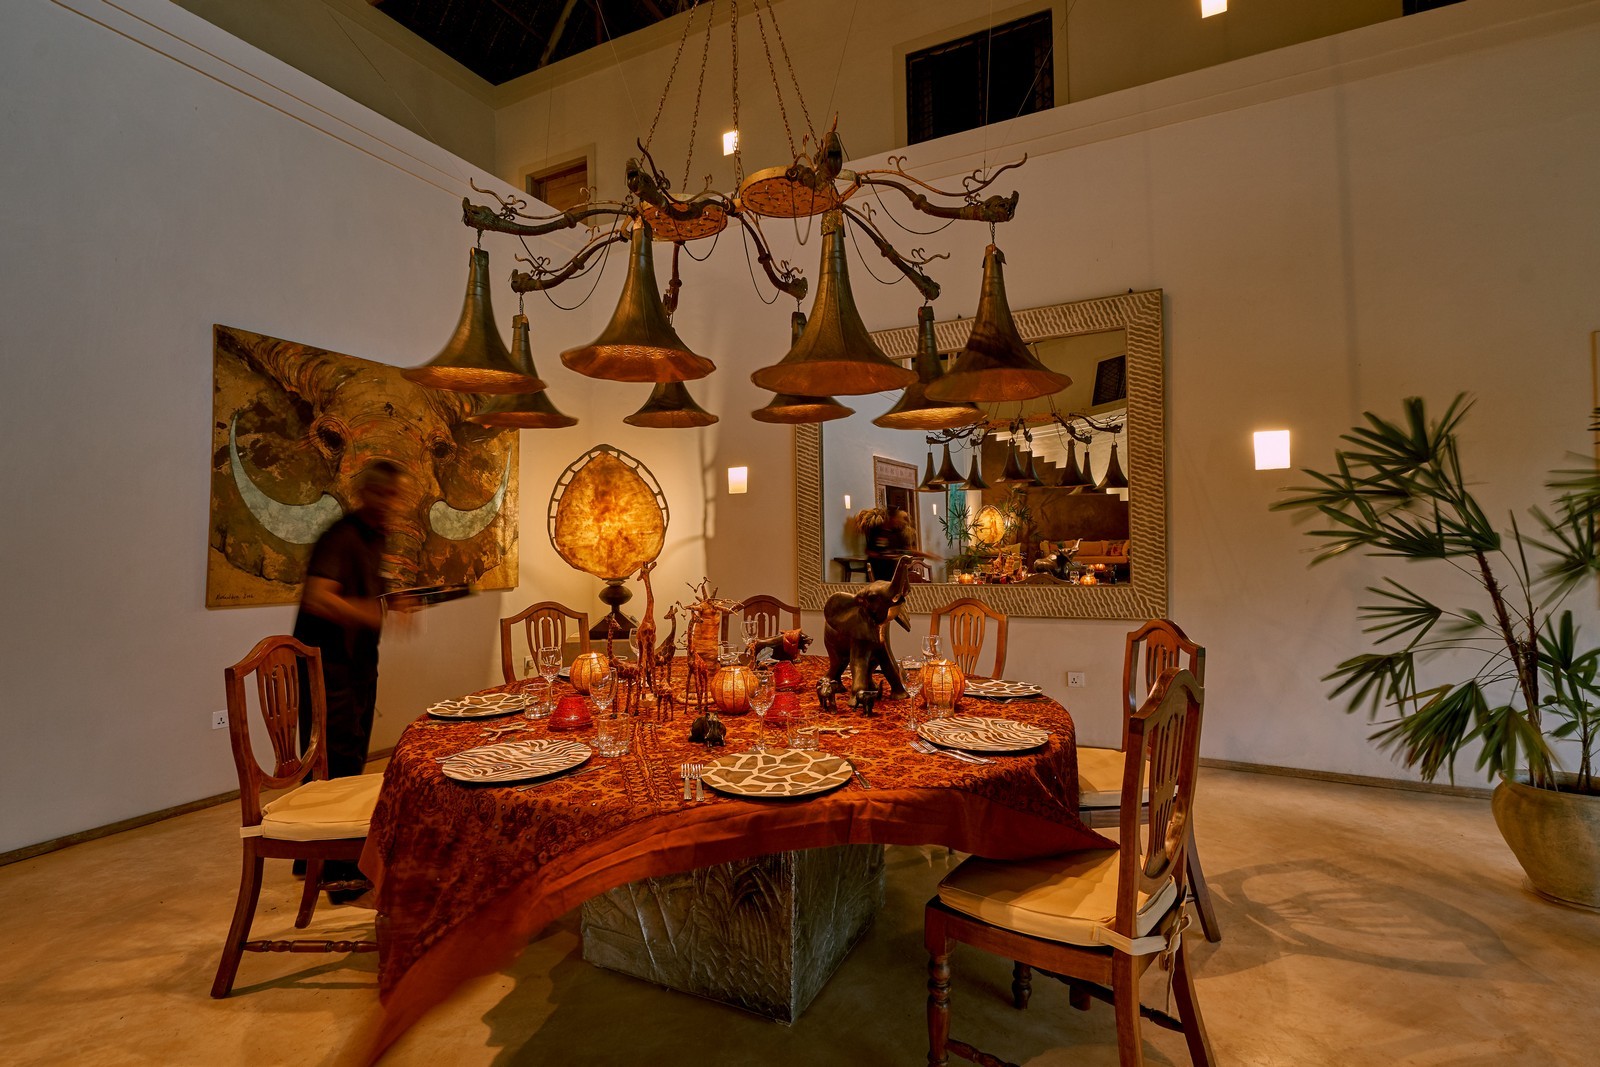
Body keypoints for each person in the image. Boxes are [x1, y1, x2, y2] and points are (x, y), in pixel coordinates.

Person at [291, 459, 412, 895]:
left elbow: (364, 590)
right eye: (384, 494)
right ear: (367, 493)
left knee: (351, 752)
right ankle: (337, 868)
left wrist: (393, 601)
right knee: (336, 760)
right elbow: (318, 596)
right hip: (329, 665)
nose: (391, 503)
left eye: (396, 496)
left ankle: (312, 857)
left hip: (357, 661)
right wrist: (368, 613)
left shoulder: (374, 536)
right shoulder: (341, 536)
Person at [865, 507, 927, 582]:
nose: (900, 522)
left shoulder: (897, 533)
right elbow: (868, 551)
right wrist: (882, 556)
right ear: (891, 518)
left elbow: (906, 549)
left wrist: (925, 554)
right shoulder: (876, 530)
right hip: (877, 571)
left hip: (892, 571)